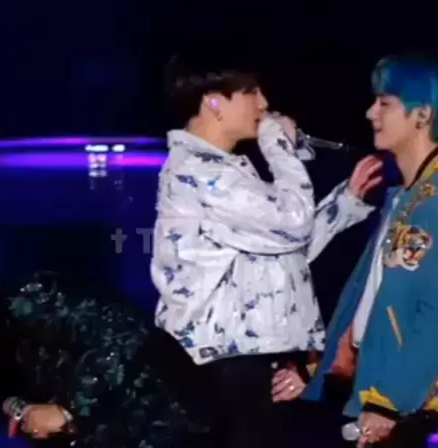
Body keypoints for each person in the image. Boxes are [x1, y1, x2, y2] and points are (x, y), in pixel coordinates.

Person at [150, 49, 382, 447]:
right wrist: (278, 147)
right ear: (214, 102)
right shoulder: (200, 172)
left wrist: (344, 205)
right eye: (251, 92)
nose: (264, 104)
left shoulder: (226, 168)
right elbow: (291, 223)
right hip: (220, 367)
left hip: (245, 362)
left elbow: (281, 248)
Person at [274, 54, 438, 447]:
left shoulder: (432, 202)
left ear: (423, 114)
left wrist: (389, 401)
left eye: (385, 103)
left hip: (406, 409)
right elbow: (368, 304)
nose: (370, 112)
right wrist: (317, 371)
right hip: (375, 394)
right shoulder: (403, 199)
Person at [0, 271, 209, 448]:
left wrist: (67, 411)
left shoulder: (30, 297)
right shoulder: (2, 358)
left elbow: (125, 336)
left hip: (169, 425)